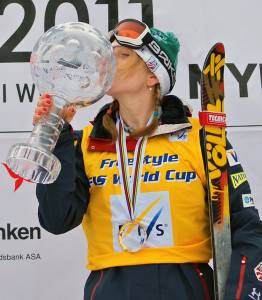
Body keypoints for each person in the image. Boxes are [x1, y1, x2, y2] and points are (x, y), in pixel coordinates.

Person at [33, 19, 262, 300]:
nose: (107, 60)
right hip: (112, 289)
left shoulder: (201, 137)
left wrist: (241, 294)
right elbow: (57, 219)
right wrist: (57, 138)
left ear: (153, 76)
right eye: (108, 52)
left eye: (123, 54)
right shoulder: (86, 141)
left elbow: (245, 226)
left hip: (185, 287)